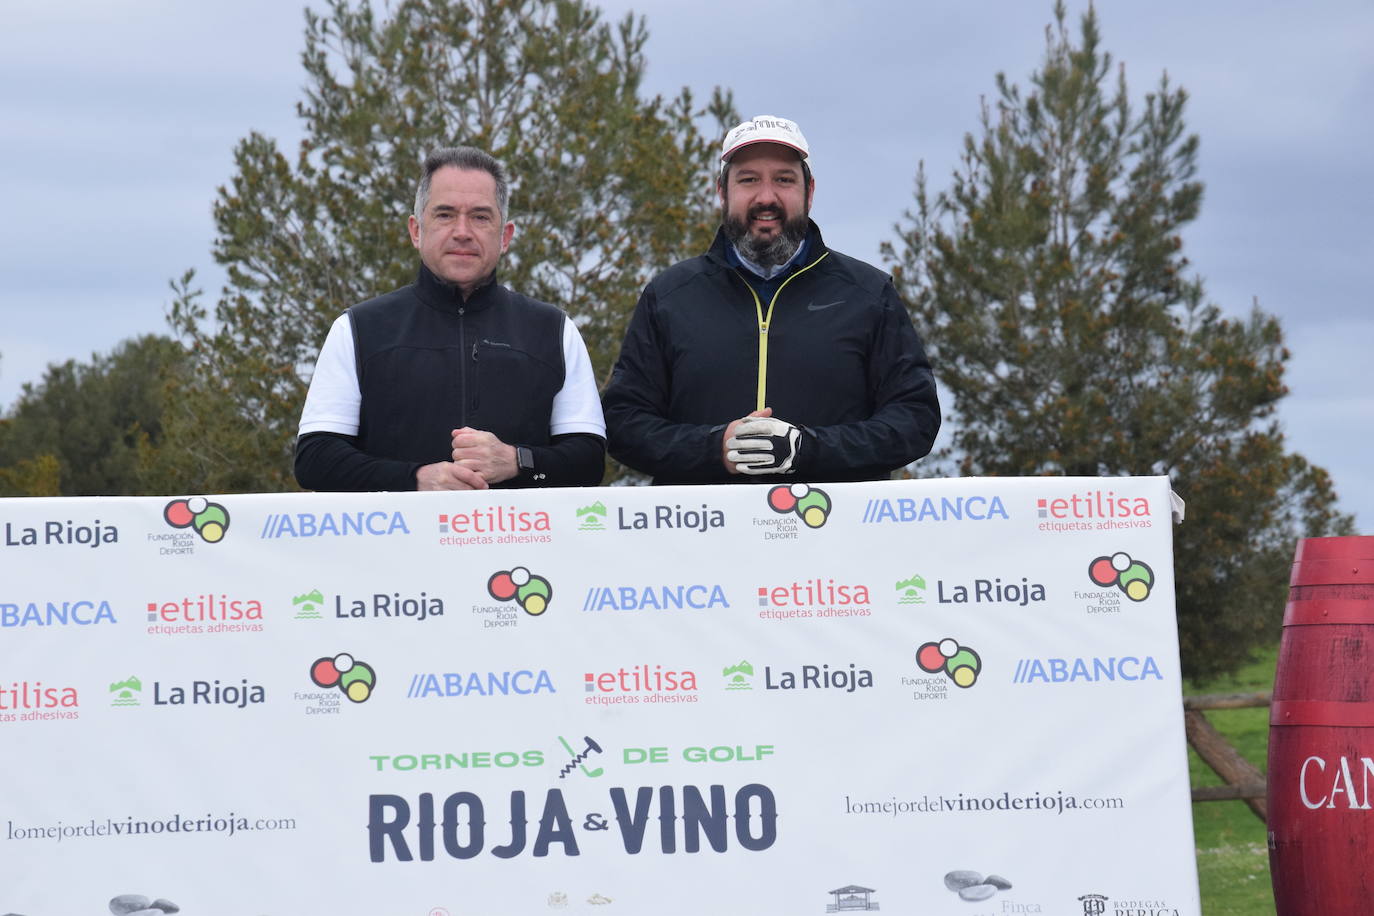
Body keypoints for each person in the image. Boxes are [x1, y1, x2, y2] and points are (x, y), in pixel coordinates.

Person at [602, 115, 940, 484]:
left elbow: (914, 419)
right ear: (722, 192)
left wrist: (806, 448)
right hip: (702, 533)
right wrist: (715, 447)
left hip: (835, 533)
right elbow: (624, 423)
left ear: (809, 192)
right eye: (748, 180)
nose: (766, 197)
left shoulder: (868, 294)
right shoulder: (669, 296)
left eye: (784, 179)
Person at [294, 146, 606, 491]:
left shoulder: (553, 330)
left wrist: (518, 461)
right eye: (444, 215)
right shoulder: (358, 328)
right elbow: (315, 460)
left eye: (481, 217)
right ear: (416, 230)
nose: (462, 231)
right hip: (395, 543)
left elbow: (589, 462)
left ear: (505, 236)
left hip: (519, 543)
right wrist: (415, 480)